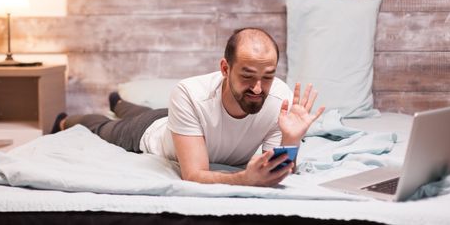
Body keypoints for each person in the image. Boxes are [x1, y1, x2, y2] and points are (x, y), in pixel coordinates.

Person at [52, 27, 325, 187]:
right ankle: (68, 119)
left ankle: (120, 102)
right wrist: (243, 178)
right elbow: (193, 174)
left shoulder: (280, 99)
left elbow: (276, 169)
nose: (257, 88)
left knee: (143, 110)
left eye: (267, 77)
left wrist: (292, 139)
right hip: (150, 132)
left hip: (177, 122)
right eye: (247, 76)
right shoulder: (189, 94)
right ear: (224, 68)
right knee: (103, 127)